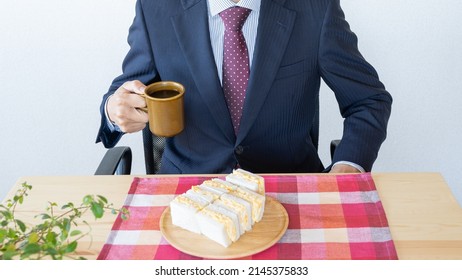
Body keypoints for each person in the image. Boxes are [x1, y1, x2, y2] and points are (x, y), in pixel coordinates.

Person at [96, 0, 392, 174]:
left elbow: (368, 100)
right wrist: (114, 109)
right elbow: (128, 86)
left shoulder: (315, 9)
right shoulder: (156, 8)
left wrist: (349, 165)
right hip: (186, 191)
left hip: (288, 189)